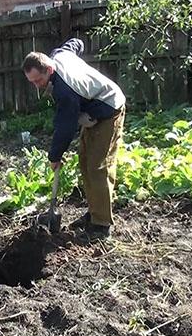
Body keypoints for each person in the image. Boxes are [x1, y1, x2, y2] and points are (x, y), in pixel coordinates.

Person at [22, 38, 126, 240]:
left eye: (38, 80)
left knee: (97, 165)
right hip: (93, 111)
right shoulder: (59, 55)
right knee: (85, 162)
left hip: (110, 108)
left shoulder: (65, 91)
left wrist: (55, 156)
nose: (36, 86)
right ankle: (95, 212)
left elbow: (66, 127)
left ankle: (102, 226)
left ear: (49, 70)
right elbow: (76, 43)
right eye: (31, 81)